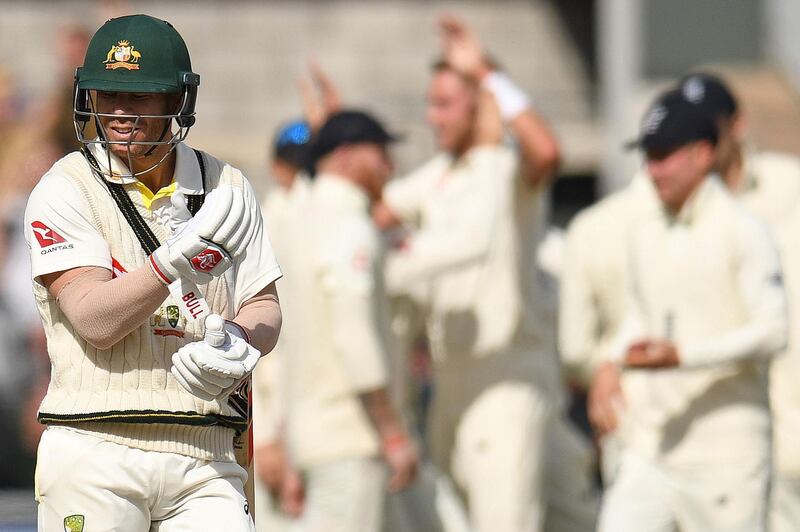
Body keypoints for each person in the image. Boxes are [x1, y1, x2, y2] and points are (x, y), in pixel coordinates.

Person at [26, 14, 282, 530]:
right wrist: (169, 264)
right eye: (108, 94)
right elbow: (95, 321)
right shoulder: (65, 187)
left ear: (176, 101)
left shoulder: (226, 184)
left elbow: (264, 302)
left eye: (141, 97)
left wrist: (236, 341)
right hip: (95, 449)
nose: (121, 112)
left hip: (207, 455)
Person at [373, 15, 596, 532]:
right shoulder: (441, 176)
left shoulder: (507, 171)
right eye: (430, 104)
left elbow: (548, 150)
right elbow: (376, 213)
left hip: (506, 382)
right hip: (454, 387)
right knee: (576, 519)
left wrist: (488, 71)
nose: (433, 118)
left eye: (445, 104)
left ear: (480, 106)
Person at [594, 89, 786, 532]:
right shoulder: (645, 231)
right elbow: (640, 316)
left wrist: (682, 356)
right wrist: (610, 363)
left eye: (662, 156)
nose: (651, 170)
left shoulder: (744, 230)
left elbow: (774, 331)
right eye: (647, 156)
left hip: (727, 454)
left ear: (702, 154)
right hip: (656, 446)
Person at [280, 109, 419, 532]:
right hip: (351, 439)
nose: (389, 166)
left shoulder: (294, 221)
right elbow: (352, 337)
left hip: (313, 436)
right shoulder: (349, 225)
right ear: (345, 155)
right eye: (380, 152)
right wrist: (393, 435)